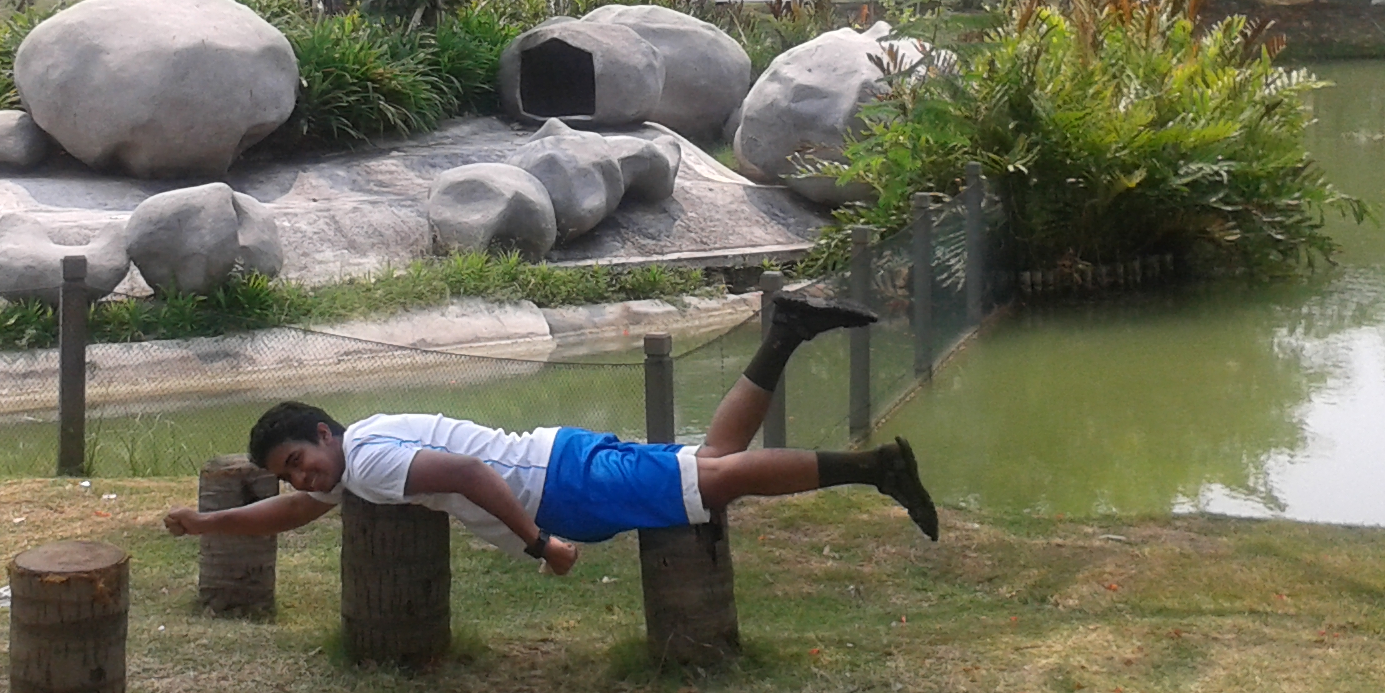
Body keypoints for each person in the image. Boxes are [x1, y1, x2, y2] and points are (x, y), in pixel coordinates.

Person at [162, 294, 939, 570]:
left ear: (323, 433)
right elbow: (292, 512)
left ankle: (876, 468)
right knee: (711, 465)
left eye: (299, 459)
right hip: (555, 458)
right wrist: (207, 523)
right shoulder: (361, 447)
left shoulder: (365, 464)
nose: (301, 478)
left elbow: (468, 477)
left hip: (559, 487)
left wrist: (539, 544)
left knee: (716, 479)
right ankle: (787, 333)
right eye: (289, 472)